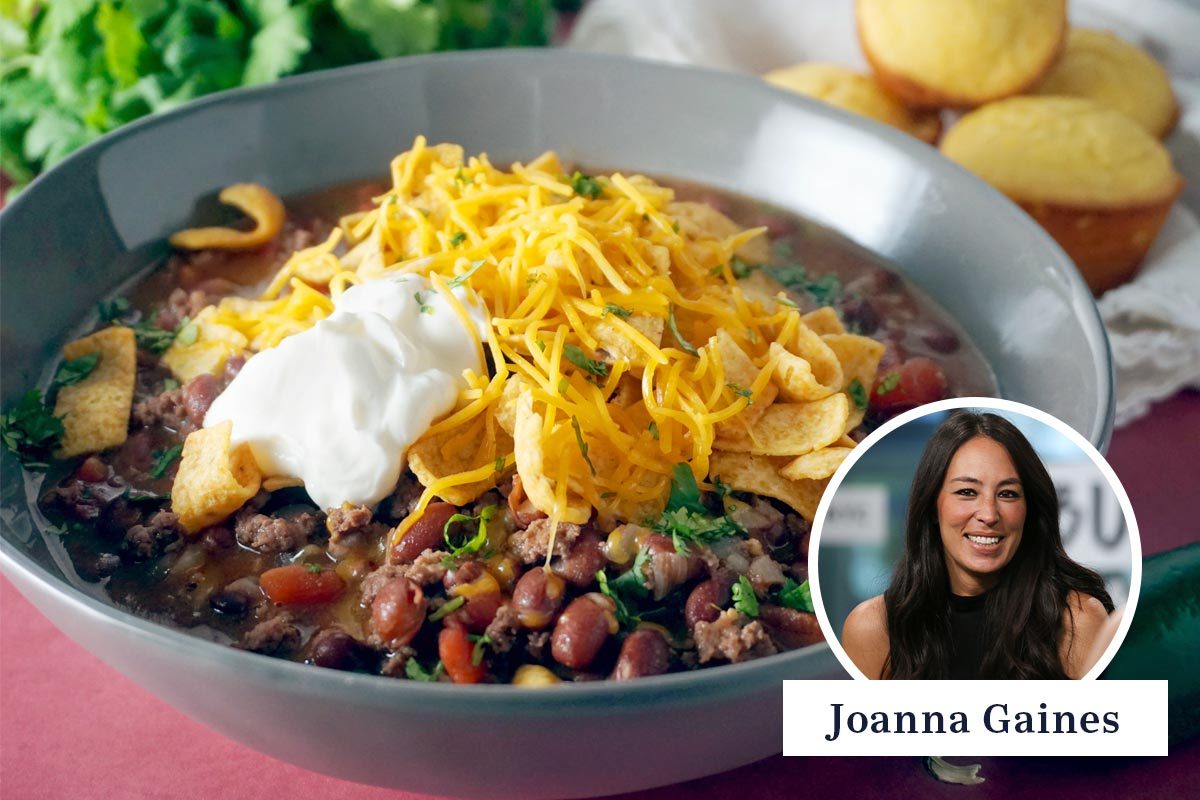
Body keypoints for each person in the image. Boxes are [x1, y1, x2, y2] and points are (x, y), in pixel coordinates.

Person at [842, 411, 1114, 679]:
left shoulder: (1077, 620)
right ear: (932, 507)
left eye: (1007, 494)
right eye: (967, 492)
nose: (989, 514)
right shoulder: (872, 628)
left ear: (1029, 510)